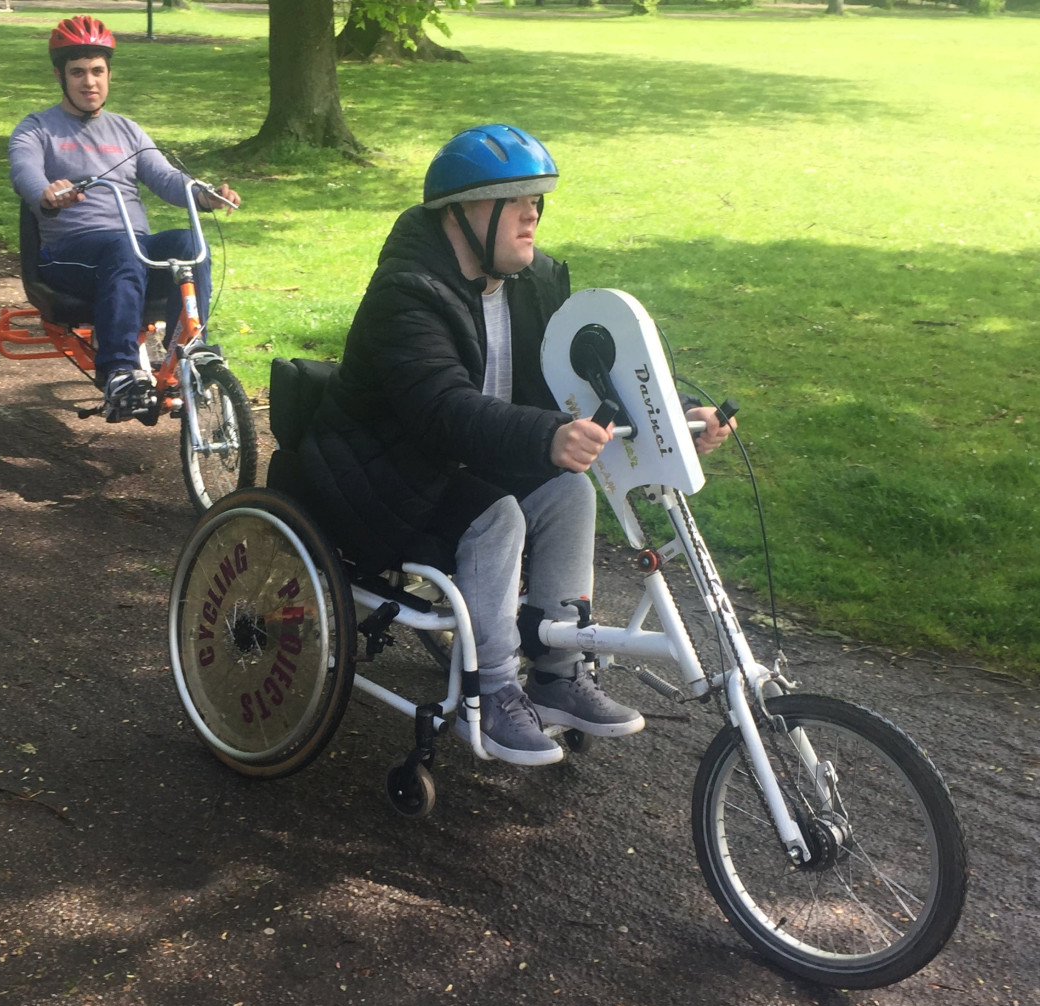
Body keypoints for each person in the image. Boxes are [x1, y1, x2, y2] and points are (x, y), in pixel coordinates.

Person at [298, 124, 736, 767]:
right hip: (385, 469)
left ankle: (557, 673)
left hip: (470, 459)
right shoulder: (407, 293)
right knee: (498, 514)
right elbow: (442, 411)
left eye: (537, 199)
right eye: (515, 200)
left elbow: (587, 383)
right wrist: (545, 435)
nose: (532, 213)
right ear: (462, 212)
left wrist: (678, 420)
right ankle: (495, 687)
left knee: (569, 492)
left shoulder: (537, 281)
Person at [8, 16, 240, 424]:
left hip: (131, 251)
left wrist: (204, 195)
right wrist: (46, 192)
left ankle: (189, 352)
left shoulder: (127, 131)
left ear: (109, 74)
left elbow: (165, 177)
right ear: (60, 75)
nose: (89, 82)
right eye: (78, 72)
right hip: (69, 255)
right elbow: (23, 170)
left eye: (98, 71)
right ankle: (119, 371)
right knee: (122, 246)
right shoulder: (37, 128)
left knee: (188, 243)